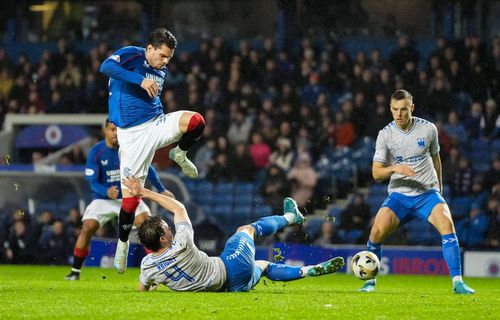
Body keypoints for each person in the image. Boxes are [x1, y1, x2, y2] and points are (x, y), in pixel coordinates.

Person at [99, 28, 205, 273]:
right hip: (131, 136)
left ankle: (179, 153)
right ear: (149, 49)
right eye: (162, 56)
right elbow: (105, 66)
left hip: (156, 124)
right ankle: (123, 245)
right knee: (131, 199)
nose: (165, 62)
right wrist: (140, 80)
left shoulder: (161, 67)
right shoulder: (131, 55)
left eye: (169, 57)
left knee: (196, 121)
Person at [122, 176, 344, 292]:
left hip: (229, 288)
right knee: (245, 230)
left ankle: (308, 270)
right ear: (163, 238)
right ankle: (291, 218)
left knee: (263, 266)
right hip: (230, 268)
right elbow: (179, 208)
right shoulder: (182, 242)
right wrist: (144, 192)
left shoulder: (148, 265)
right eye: (166, 226)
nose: (170, 226)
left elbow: (143, 288)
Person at [360, 89, 475, 294]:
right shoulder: (385, 135)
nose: (399, 114)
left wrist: (438, 187)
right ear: (390, 109)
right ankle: (369, 282)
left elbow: (436, 158)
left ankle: (458, 282)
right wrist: (394, 168)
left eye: (403, 109)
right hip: (399, 196)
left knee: (447, 224)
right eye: (395, 109)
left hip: (426, 194)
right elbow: (376, 173)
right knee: (377, 230)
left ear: (411, 107)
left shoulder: (428, 129)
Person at [64, 119, 173, 280]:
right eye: (112, 130)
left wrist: (162, 189)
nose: (115, 133)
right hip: (104, 199)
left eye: (117, 130)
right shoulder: (97, 151)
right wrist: (105, 191)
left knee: (147, 226)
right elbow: (92, 181)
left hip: (129, 196)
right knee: (87, 227)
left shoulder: (129, 147)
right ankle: (75, 271)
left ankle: (159, 270)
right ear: (105, 132)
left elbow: (148, 168)